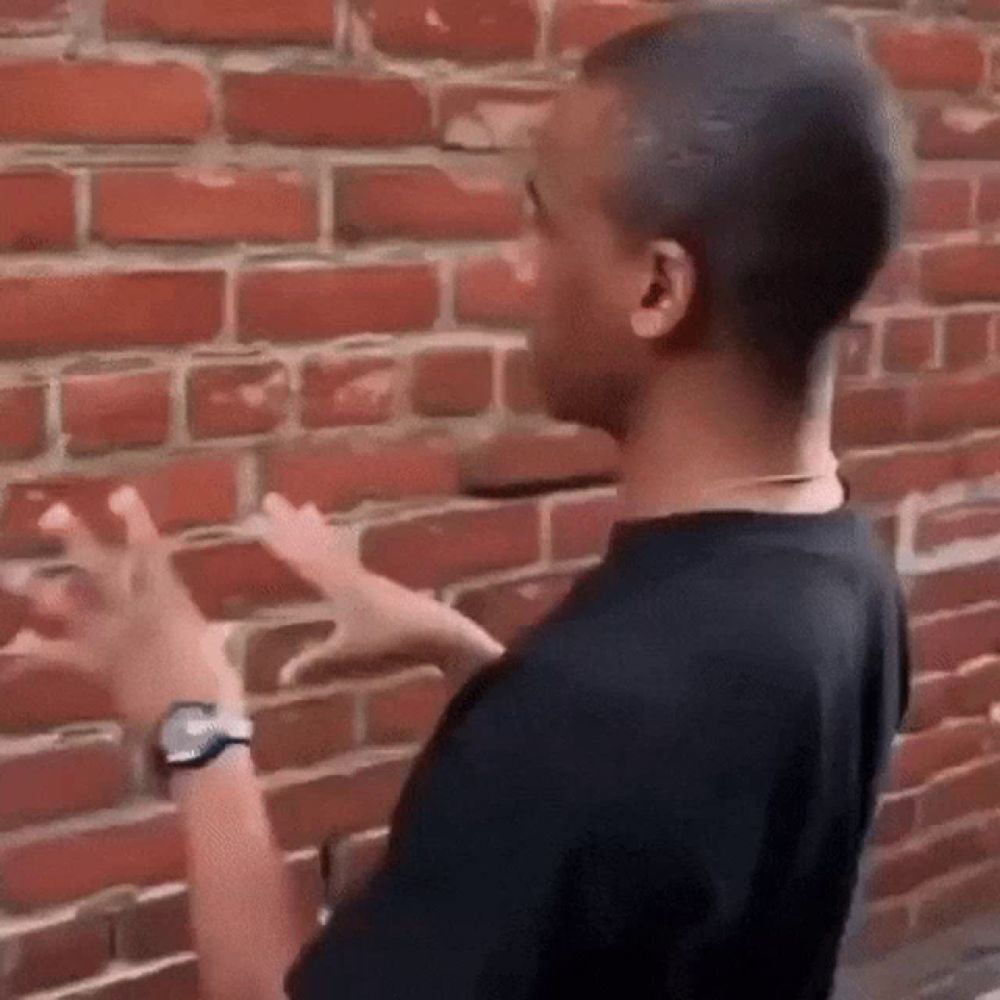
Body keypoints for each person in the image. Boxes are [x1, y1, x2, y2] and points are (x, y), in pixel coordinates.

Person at [10, 4, 910, 998]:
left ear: (658, 288)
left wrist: (195, 716)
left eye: (544, 216)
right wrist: (465, 653)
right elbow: (672, 819)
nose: (518, 263)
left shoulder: (593, 714)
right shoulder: (843, 573)